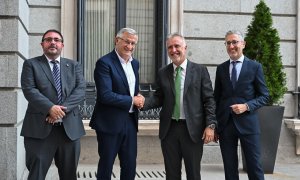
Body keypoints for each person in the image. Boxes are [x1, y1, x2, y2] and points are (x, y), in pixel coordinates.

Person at [143, 32, 217, 180]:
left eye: (177, 46)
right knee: (171, 175)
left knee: (193, 174)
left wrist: (211, 125)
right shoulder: (163, 72)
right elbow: (158, 98)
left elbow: (209, 100)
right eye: (170, 47)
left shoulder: (200, 71)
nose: (173, 50)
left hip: (193, 131)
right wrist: (142, 102)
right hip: (169, 130)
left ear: (185, 47)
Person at [21, 29, 86, 180]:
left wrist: (59, 111)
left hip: (69, 131)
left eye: (57, 40)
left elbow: (81, 90)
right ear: (42, 44)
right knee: (36, 174)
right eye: (48, 39)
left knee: (69, 175)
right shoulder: (31, 64)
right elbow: (29, 90)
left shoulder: (74, 65)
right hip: (39, 130)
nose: (53, 42)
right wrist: (50, 108)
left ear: (62, 45)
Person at [89, 27, 144, 180]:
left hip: (130, 122)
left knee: (130, 165)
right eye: (127, 42)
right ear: (117, 40)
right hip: (109, 122)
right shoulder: (104, 63)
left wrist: (138, 96)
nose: (130, 47)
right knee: (106, 165)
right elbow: (105, 95)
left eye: (133, 43)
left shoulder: (135, 64)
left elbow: (130, 88)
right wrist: (132, 100)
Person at [214, 30, 269, 180]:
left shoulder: (255, 67)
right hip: (226, 125)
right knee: (230, 169)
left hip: (248, 125)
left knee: (254, 167)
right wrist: (215, 125)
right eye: (228, 43)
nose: (231, 46)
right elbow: (216, 98)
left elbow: (265, 96)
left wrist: (247, 106)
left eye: (235, 42)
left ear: (243, 44)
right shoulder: (221, 69)